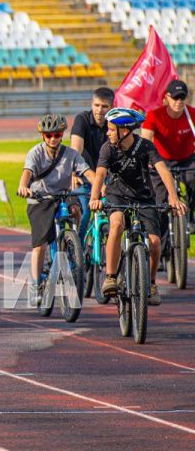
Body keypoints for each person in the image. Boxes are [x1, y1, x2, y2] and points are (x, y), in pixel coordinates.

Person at [90, 108, 185, 306]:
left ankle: (151, 283)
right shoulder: (108, 148)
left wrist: (173, 197)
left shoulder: (146, 146)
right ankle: (110, 277)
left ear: (124, 131)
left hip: (144, 198)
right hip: (117, 196)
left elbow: (163, 171)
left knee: (155, 242)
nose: (107, 133)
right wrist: (94, 197)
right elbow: (100, 174)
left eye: (111, 129)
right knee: (116, 225)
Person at [18, 114, 95, 305]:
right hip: (40, 198)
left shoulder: (71, 154)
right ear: (43, 136)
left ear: (62, 135)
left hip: (63, 195)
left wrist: (100, 187)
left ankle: (72, 243)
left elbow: (87, 172)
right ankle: (36, 284)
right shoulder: (36, 152)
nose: (53, 139)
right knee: (40, 245)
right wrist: (23, 186)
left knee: (77, 209)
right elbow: (27, 172)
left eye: (57, 135)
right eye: (49, 135)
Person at [140, 79, 195, 241]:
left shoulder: (191, 114)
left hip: (186, 159)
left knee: (193, 180)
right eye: (175, 97)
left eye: (182, 98)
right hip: (161, 161)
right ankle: (163, 246)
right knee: (160, 200)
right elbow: (146, 140)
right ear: (167, 97)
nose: (179, 102)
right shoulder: (154, 115)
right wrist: (149, 160)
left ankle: (191, 215)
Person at [70, 87, 114, 238]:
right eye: (96, 105)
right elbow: (76, 150)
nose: (99, 110)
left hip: (107, 179)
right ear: (91, 104)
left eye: (104, 106)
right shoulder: (82, 120)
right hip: (84, 178)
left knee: (115, 217)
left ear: (112, 107)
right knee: (84, 215)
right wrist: (73, 173)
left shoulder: (114, 124)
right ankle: (78, 249)